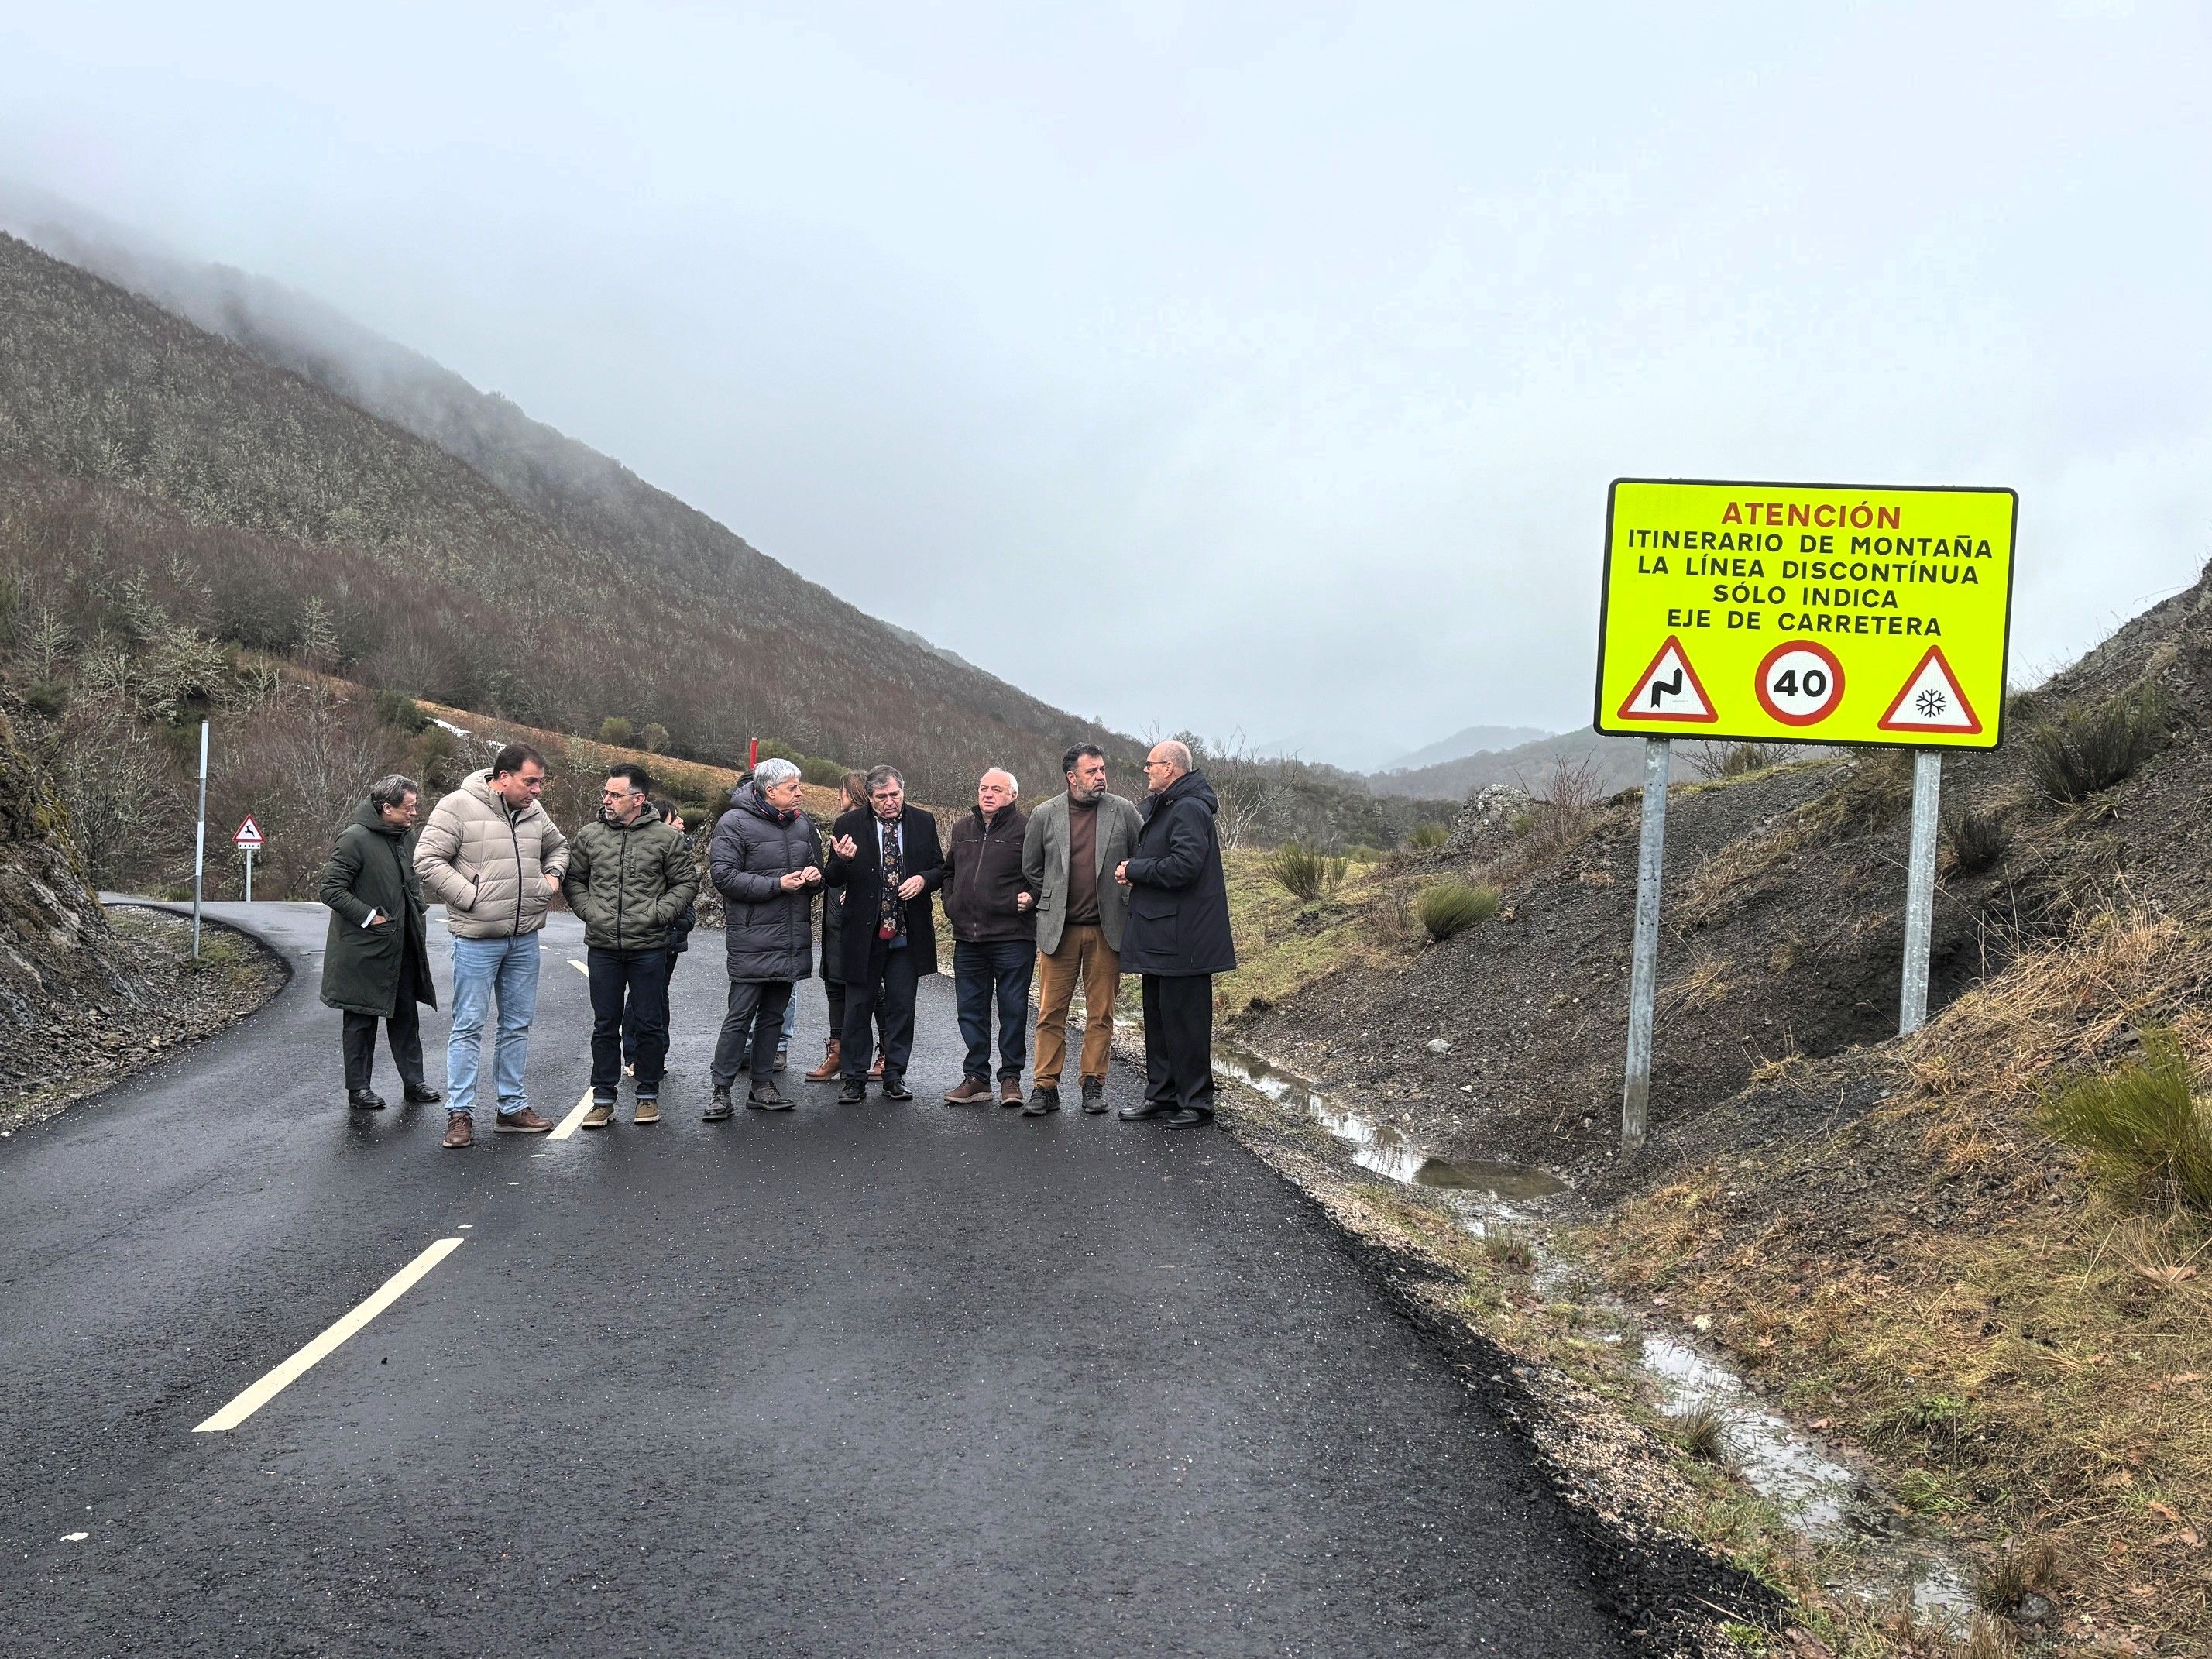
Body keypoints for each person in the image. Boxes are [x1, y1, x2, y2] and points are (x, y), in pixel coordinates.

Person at [414, 743, 568, 1149]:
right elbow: (427, 859)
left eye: (541, 782)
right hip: (476, 941)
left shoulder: (535, 812)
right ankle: (460, 1113)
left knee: (516, 1026)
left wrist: (549, 882)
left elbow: (560, 846)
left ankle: (512, 1108)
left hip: (524, 939)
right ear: (503, 778)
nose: (537, 790)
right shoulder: (457, 805)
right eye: (530, 781)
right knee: (468, 1027)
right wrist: (469, 897)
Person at [563, 764, 699, 1128]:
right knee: (605, 1024)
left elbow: (686, 884)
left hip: (650, 946)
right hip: (603, 946)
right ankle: (603, 1099)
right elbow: (574, 881)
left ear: (638, 799)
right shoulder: (589, 836)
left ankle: (647, 1096)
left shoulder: (665, 838)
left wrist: (659, 914)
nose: (606, 800)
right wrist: (591, 912)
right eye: (605, 793)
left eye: (614, 794)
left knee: (649, 1022)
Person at [1115, 740, 1236, 1129]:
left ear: (1170, 768)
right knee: (1160, 1019)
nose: (1146, 770)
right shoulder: (1170, 805)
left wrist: (1136, 869)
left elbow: (1184, 866)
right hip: (1161, 934)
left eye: (1151, 765)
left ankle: (1196, 1102)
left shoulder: (1188, 808)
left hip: (1186, 940)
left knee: (1186, 1022)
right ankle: (1163, 1095)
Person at [1022, 744, 1142, 1115]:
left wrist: (1128, 885)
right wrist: (1054, 897)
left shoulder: (1123, 811)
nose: (1101, 777)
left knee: (1100, 1013)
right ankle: (1045, 1087)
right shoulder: (1045, 814)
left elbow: (1142, 857)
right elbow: (1031, 867)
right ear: (1072, 777)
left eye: (1102, 769)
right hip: (1059, 930)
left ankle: (1093, 1084)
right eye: (1092, 772)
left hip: (1108, 931)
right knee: (1050, 1013)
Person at [317, 773, 441, 1112]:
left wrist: (418, 908)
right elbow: (330, 889)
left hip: (401, 946)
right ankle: (358, 1090)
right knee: (360, 1019)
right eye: (409, 808)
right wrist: (370, 917)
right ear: (387, 808)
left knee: (406, 1016)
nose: (414, 813)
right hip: (362, 950)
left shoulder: (405, 837)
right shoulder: (354, 839)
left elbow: (412, 881)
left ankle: (414, 1083)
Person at [706, 758, 823, 1116]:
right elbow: (723, 876)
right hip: (752, 937)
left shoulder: (804, 825)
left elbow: (818, 875)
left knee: (774, 1016)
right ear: (770, 791)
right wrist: (776, 885)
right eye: (793, 788)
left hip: (791, 936)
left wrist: (816, 878)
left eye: (799, 787)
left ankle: (761, 1085)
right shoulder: (734, 822)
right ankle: (721, 1090)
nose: (800, 793)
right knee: (740, 1016)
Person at [823, 764, 943, 1104]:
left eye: (895, 794)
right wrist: (843, 861)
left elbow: (939, 868)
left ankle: (894, 1074)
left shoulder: (923, 821)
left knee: (902, 1007)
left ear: (903, 791)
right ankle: (854, 1078)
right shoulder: (848, 824)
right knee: (858, 1007)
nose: (890, 802)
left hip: (908, 932)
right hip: (865, 933)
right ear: (870, 797)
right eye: (882, 797)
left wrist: (924, 880)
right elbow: (831, 878)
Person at [939, 768, 1036, 1108]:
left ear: (1012, 796)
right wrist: (951, 904)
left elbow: (1044, 872)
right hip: (968, 937)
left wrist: (1032, 896)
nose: (988, 794)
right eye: (983, 788)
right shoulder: (961, 828)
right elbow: (949, 871)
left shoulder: (1028, 828)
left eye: (997, 789)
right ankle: (977, 1078)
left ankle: (1011, 1078)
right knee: (970, 1010)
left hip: (1012, 935)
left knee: (1012, 1009)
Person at [804, 771, 887, 1083]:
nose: (838, 797)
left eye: (841, 791)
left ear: (851, 793)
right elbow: (833, 871)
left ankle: (885, 1051)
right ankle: (838, 1050)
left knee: (868, 986)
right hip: (835, 912)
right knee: (833, 980)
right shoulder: (842, 826)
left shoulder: (875, 828)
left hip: (859, 917)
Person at [623, 799, 696, 1075]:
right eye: (675, 818)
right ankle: (633, 1055)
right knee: (641, 994)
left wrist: (685, 920)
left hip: (674, 933)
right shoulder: (648, 849)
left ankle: (656, 1054)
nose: (681, 823)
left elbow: (685, 890)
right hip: (650, 933)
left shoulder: (680, 849)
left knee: (660, 994)